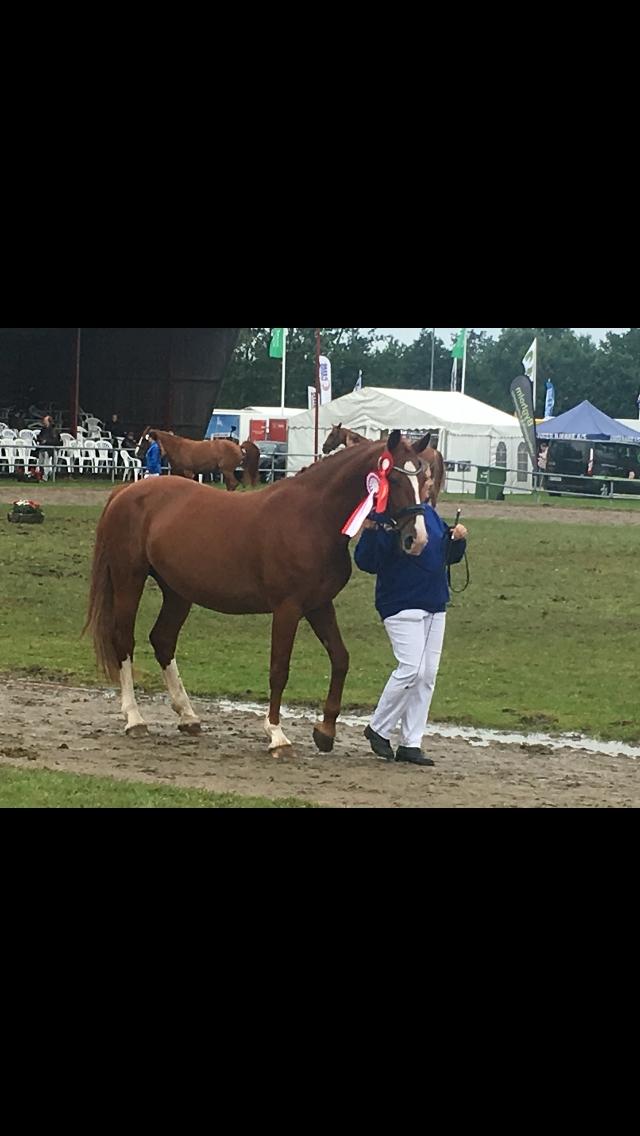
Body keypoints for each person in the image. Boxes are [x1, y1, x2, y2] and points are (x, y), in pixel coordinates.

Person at [354, 461, 467, 767]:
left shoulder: (428, 515)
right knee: (411, 669)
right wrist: (378, 532)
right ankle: (378, 727)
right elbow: (365, 561)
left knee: (427, 675)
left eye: (429, 479)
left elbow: (445, 555)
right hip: (401, 602)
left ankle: (411, 742)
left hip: (434, 601)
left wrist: (458, 540)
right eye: (425, 479)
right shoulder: (384, 517)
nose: (428, 484)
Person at [36, 414, 61, 481]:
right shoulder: (43, 429)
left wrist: (46, 441)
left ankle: (46, 477)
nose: (44, 422)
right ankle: (40, 475)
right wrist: (40, 440)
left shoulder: (54, 430)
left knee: (46, 462)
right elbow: (39, 437)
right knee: (40, 462)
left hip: (50, 449)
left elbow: (56, 441)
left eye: (45, 421)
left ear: (49, 421)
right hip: (42, 448)